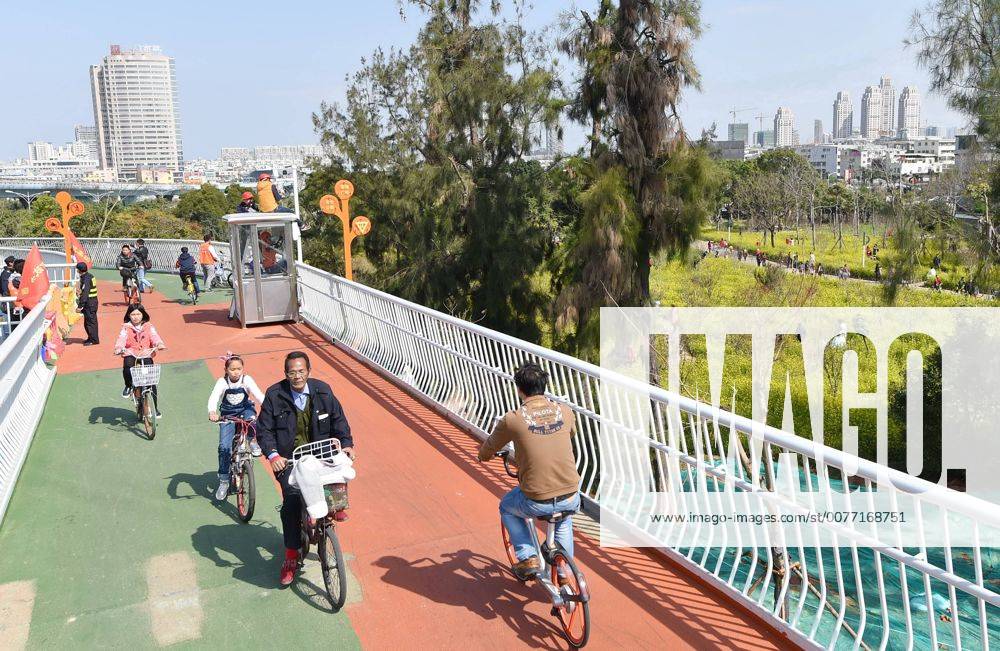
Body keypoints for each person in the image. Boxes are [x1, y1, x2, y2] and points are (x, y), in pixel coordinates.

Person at [257, 351, 354, 586]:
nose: (297, 376)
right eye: (292, 372)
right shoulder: (274, 395)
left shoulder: (323, 391)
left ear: (308, 371)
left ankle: (332, 513)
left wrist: (347, 444)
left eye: (301, 371)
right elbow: (264, 430)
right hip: (289, 460)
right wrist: (273, 455)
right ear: (286, 374)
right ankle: (291, 556)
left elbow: (338, 420)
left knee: (337, 477)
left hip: (319, 454)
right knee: (291, 502)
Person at [478, 363, 581, 582]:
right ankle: (564, 571)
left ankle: (528, 557)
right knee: (563, 517)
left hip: (537, 499)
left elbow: (488, 449)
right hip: (572, 495)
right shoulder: (564, 411)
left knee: (507, 506)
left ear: (519, 390)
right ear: (544, 386)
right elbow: (570, 432)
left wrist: (483, 456)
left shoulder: (513, 419)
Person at [208, 354, 265, 500]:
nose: (236, 372)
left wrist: (267, 406)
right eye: (232, 369)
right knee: (224, 447)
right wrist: (212, 411)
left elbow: (259, 394)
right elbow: (214, 397)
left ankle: (252, 441)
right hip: (227, 415)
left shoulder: (246, 380)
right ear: (226, 369)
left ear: (243, 369)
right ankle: (224, 480)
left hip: (245, 410)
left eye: (239, 368)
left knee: (253, 420)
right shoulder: (222, 382)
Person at [114, 304, 166, 416]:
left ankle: (155, 408)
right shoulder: (126, 327)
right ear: (129, 315)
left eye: (138, 314)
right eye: (133, 314)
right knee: (128, 366)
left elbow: (154, 336)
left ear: (143, 315)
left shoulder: (148, 326)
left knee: (151, 380)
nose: (135, 317)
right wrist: (119, 348)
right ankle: (128, 385)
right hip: (131, 352)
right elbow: (121, 339)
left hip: (145, 353)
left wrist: (159, 344)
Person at [75, 261, 100, 345]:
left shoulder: (86, 279)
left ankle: (94, 340)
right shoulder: (89, 276)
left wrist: (80, 306)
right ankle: (91, 338)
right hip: (91, 302)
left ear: (79, 270)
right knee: (88, 322)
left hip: (90, 303)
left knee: (90, 323)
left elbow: (85, 293)